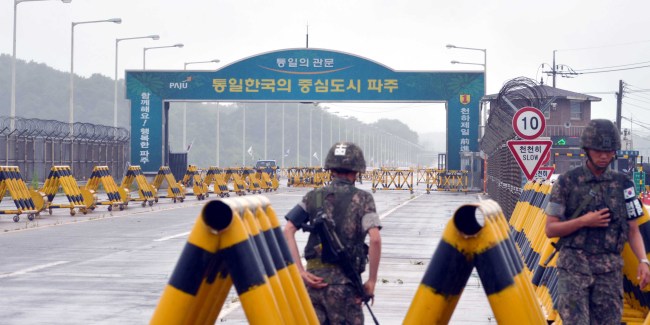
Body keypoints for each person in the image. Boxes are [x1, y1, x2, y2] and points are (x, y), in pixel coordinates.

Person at [545, 119, 650, 324]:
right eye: (598, 151)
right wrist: (584, 221)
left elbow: (633, 230)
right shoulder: (566, 182)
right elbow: (550, 229)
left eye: (609, 151)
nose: (604, 156)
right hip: (573, 270)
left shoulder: (624, 184)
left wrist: (643, 261)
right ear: (587, 149)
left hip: (609, 273)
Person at [283, 142, 382, 324]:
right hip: (345, 287)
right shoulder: (363, 199)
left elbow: (288, 230)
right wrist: (372, 281)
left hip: (313, 284)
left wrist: (299, 271)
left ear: (331, 169)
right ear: (356, 171)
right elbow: (375, 239)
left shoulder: (315, 196)